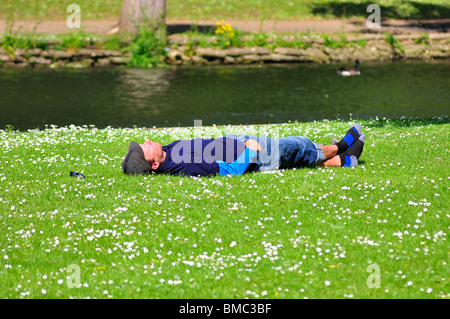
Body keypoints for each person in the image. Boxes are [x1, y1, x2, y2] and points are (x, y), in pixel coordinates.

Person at [121, 124, 365, 177]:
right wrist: (250, 150)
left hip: (238, 142)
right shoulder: (184, 165)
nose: (147, 140)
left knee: (294, 159)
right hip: (252, 153)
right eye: (145, 148)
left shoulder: (167, 151)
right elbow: (230, 171)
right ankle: (341, 146)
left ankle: (344, 162)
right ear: (153, 164)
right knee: (298, 145)